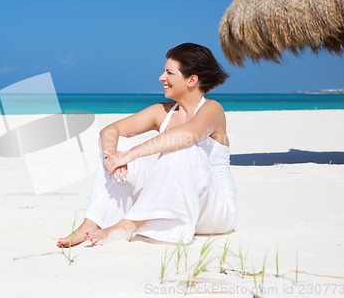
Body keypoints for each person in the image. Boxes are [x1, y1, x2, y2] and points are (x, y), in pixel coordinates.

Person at [57, 42, 236, 247]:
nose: (161, 77)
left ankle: (128, 225)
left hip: (215, 210)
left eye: (169, 72)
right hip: (178, 200)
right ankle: (92, 223)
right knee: (119, 144)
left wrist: (131, 155)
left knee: (183, 150)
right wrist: (113, 157)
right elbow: (110, 131)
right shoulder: (162, 111)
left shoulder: (213, 109)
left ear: (192, 80)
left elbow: (186, 135)